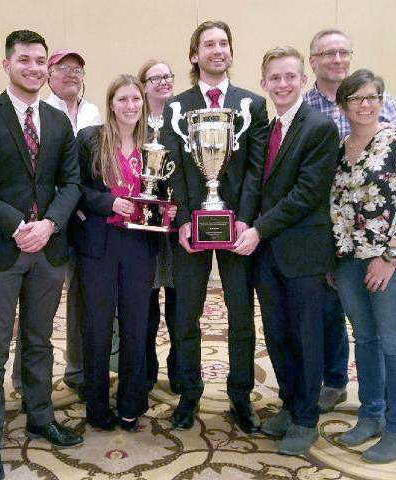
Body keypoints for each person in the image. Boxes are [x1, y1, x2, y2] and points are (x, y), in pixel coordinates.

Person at [0, 30, 82, 480]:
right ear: (7, 64)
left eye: (40, 60)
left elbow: (71, 183)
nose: (33, 67)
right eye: (24, 59)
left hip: (48, 250)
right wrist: (16, 225)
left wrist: (49, 225)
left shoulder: (57, 120)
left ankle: (41, 416)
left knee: (39, 341)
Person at [161, 20, 268, 433]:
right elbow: (173, 171)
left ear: (230, 52)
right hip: (191, 230)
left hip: (238, 228)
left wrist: (243, 219)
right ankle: (189, 394)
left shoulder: (251, 105)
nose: (217, 50)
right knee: (185, 316)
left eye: (224, 43)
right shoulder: (175, 106)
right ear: (195, 55)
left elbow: (256, 170)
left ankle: (240, 396)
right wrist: (185, 220)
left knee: (241, 315)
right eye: (209, 44)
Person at [305, 28, 396, 413]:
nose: (336, 59)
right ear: (312, 61)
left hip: (385, 248)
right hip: (339, 243)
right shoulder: (307, 107)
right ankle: (348, 390)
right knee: (346, 324)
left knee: (390, 336)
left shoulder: (388, 120)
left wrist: (394, 250)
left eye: (342, 52)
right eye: (327, 53)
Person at [71, 74, 175, 432]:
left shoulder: (155, 145)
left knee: (137, 327)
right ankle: (97, 406)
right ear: (111, 103)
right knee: (97, 328)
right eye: (123, 99)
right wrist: (109, 201)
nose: (130, 106)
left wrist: (167, 211)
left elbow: (159, 194)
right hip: (98, 245)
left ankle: (132, 403)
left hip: (139, 247)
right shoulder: (91, 140)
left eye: (135, 99)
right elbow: (76, 189)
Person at [251, 47, 339, 455]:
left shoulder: (318, 127)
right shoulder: (271, 127)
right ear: (264, 83)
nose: (282, 84)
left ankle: (306, 419)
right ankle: (289, 404)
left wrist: (257, 229)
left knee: (306, 337)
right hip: (269, 254)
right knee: (278, 334)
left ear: (303, 80)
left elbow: (306, 194)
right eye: (275, 78)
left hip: (303, 254)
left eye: (290, 76)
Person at [331, 69, 396, 463]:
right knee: (364, 339)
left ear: (381, 100)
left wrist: (391, 255)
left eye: (373, 96)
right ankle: (371, 415)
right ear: (343, 105)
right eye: (357, 98)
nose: (365, 104)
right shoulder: (339, 147)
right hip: (347, 260)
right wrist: (334, 257)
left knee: (394, 343)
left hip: (390, 260)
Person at [11, 49, 102, 400]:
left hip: (89, 223)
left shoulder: (94, 112)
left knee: (84, 301)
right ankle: (24, 380)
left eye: (77, 69)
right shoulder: (38, 114)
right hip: (46, 224)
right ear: (48, 74)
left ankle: (78, 372)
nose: (71, 74)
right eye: (63, 68)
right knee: (34, 310)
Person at [138, 59, 178, 393]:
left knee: (180, 309)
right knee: (146, 309)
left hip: (177, 229)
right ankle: (146, 372)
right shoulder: (133, 122)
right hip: (143, 228)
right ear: (143, 84)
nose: (163, 82)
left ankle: (179, 372)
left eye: (168, 76)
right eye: (156, 77)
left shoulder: (181, 119)